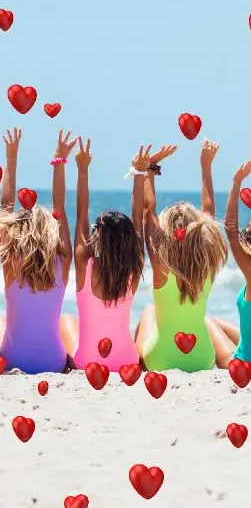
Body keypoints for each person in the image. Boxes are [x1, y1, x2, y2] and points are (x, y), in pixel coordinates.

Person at [135, 139, 231, 371]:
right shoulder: (207, 265)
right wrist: (206, 166)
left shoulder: (161, 266)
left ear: (167, 234)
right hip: (202, 358)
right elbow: (208, 213)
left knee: (148, 311)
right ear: (201, 233)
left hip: (160, 359)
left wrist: (150, 169)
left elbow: (147, 213)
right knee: (204, 321)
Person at [0, 129, 78, 373]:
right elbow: (60, 206)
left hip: (13, 361)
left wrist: (11, 158)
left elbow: (6, 208)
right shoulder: (62, 262)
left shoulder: (11, 263)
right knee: (63, 323)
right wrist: (59, 160)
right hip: (54, 362)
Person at [70, 138, 152, 372]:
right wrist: (139, 174)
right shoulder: (133, 272)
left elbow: (81, 212)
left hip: (88, 364)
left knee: (68, 324)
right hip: (127, 360)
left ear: (98, 237)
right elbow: (138, 218)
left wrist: (82, 169)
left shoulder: (85, 266)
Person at [220, 157, 251, 361]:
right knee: (219, 324)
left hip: (244, 360)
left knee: (209, 323)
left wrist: (236, 182)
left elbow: (230, 228)